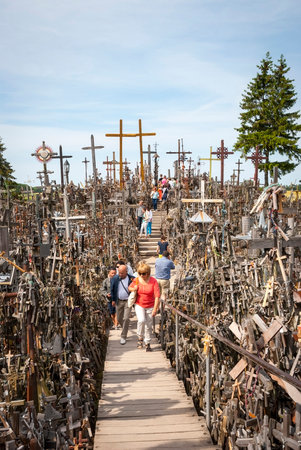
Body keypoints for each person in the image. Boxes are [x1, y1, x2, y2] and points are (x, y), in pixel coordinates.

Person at [129, 262, 160, 352]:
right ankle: (140, 337)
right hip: (139, 304)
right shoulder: (137, 280)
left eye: (144, 274)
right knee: (141, 320)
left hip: (150, 305)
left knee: (148, 325)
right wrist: (134, 288)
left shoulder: (153, 281)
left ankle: (147, 343)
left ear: (148, 273)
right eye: (140, 273)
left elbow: (157, 296)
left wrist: (155, 308)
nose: (142, 275)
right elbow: (129, 288)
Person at [110, 264, 135, 345]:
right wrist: (113, 300)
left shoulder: (132, 278)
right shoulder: (115, 278)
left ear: (126, 272)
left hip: (128, 301)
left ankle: (123, 336)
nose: (120, 274)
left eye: (122, 273)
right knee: (120, 318)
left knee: (126, 318)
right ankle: (125, 328)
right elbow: (112, 289)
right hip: (119, 301)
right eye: (119, 273)